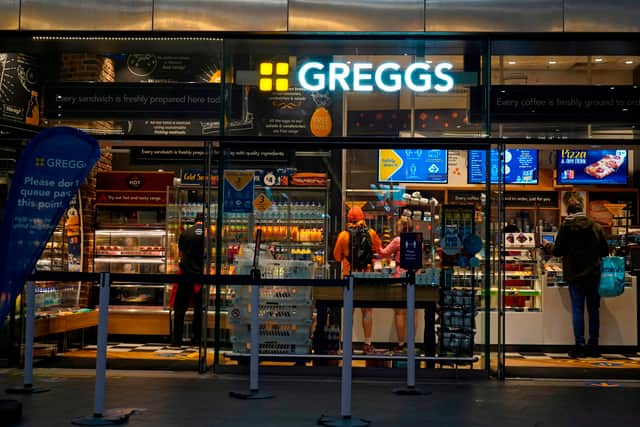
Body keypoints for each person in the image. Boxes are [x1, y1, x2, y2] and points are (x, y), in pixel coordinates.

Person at [545, 198, 609, 358]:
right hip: (594, 275)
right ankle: (593, 346)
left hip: (574, 275)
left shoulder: (567, 227)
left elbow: (557, 251)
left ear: (569, 212)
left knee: (578, 310)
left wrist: (547, 245)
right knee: (594, 311)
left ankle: (579, 346)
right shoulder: (596, 226)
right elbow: (605, 252)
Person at [333, 206, 382, 354]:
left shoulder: (343, 235)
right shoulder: (371, 233)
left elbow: (336, 256)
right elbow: (379, 250)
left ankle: (347, 344)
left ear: (349, 219)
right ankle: (367, 343)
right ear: (363, 218)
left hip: (349, 276)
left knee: (349, 310)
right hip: (366, 276)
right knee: (367, 311)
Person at [378, 216, 418, 353]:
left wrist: (376, 242)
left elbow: (383, 253)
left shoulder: (397, 241)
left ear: (401, 227)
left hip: (400, 276)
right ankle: (411, 344)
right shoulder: (417, 240)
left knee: (400, 312)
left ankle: (401, 344)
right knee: (413, 312)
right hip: (414, 276)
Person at [172, 213, 206, 347]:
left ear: (195, 221)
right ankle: (196, 338)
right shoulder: (208, 234)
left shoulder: (185, 233)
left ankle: (177, 340)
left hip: (185, 274)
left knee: (180, 308)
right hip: (200, 276)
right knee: (199, 309)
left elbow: (180, 252)